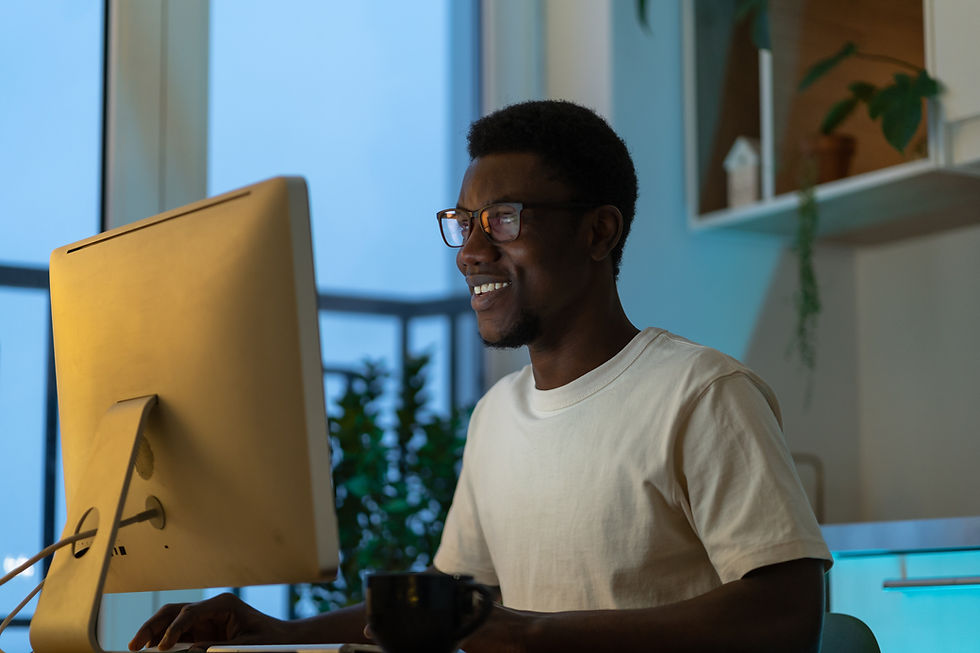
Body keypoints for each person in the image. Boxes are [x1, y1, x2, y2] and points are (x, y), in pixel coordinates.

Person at [129, 100, 831, 653]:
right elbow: (457, 598)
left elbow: (787, 610)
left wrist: (531, 635)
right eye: (464, 222)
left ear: (598, 232)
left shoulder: (700, 393)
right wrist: (277, 633)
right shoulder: (497, 414)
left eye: (503, 219)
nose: (470, 252)